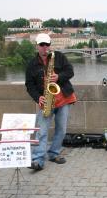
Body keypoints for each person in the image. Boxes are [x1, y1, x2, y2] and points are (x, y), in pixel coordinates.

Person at [25, 33, 77, 170]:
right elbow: (29, 85)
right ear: (37, 46)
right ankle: (37, 160)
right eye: (41, 45)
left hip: (63, 99)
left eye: (47, 44)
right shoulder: (32, 64)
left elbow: (70, 71)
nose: (44, 48)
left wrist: (58, 76)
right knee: (41, 131)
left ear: (50, 45)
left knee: (61, 130)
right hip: (46, 101)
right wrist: (38, 97)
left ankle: (54, 153)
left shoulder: (58, 57)